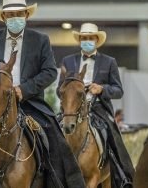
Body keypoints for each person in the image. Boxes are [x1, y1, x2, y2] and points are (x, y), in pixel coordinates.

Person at [0, 0, 85, 188]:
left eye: (19, 14)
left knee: (55, 138)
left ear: (26, 15)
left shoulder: (40, 40)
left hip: (30, 102)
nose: (15, 18)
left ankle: (58, 181)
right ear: (3, 17)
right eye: (10, 15)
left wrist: (23, 89)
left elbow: (50, 71)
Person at [57, 23, 134, 188]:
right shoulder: (68, 61)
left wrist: (102, 88)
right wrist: (70, 93)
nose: (86, 41)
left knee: (112, 135)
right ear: (80, 40)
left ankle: (123, 174)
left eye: (90, 38)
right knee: (53, 131)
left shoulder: (109, 62)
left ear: (96, 40)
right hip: (72, 108)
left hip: (98, 107)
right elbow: (59, 89)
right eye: (84, 38)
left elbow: (118, 90)